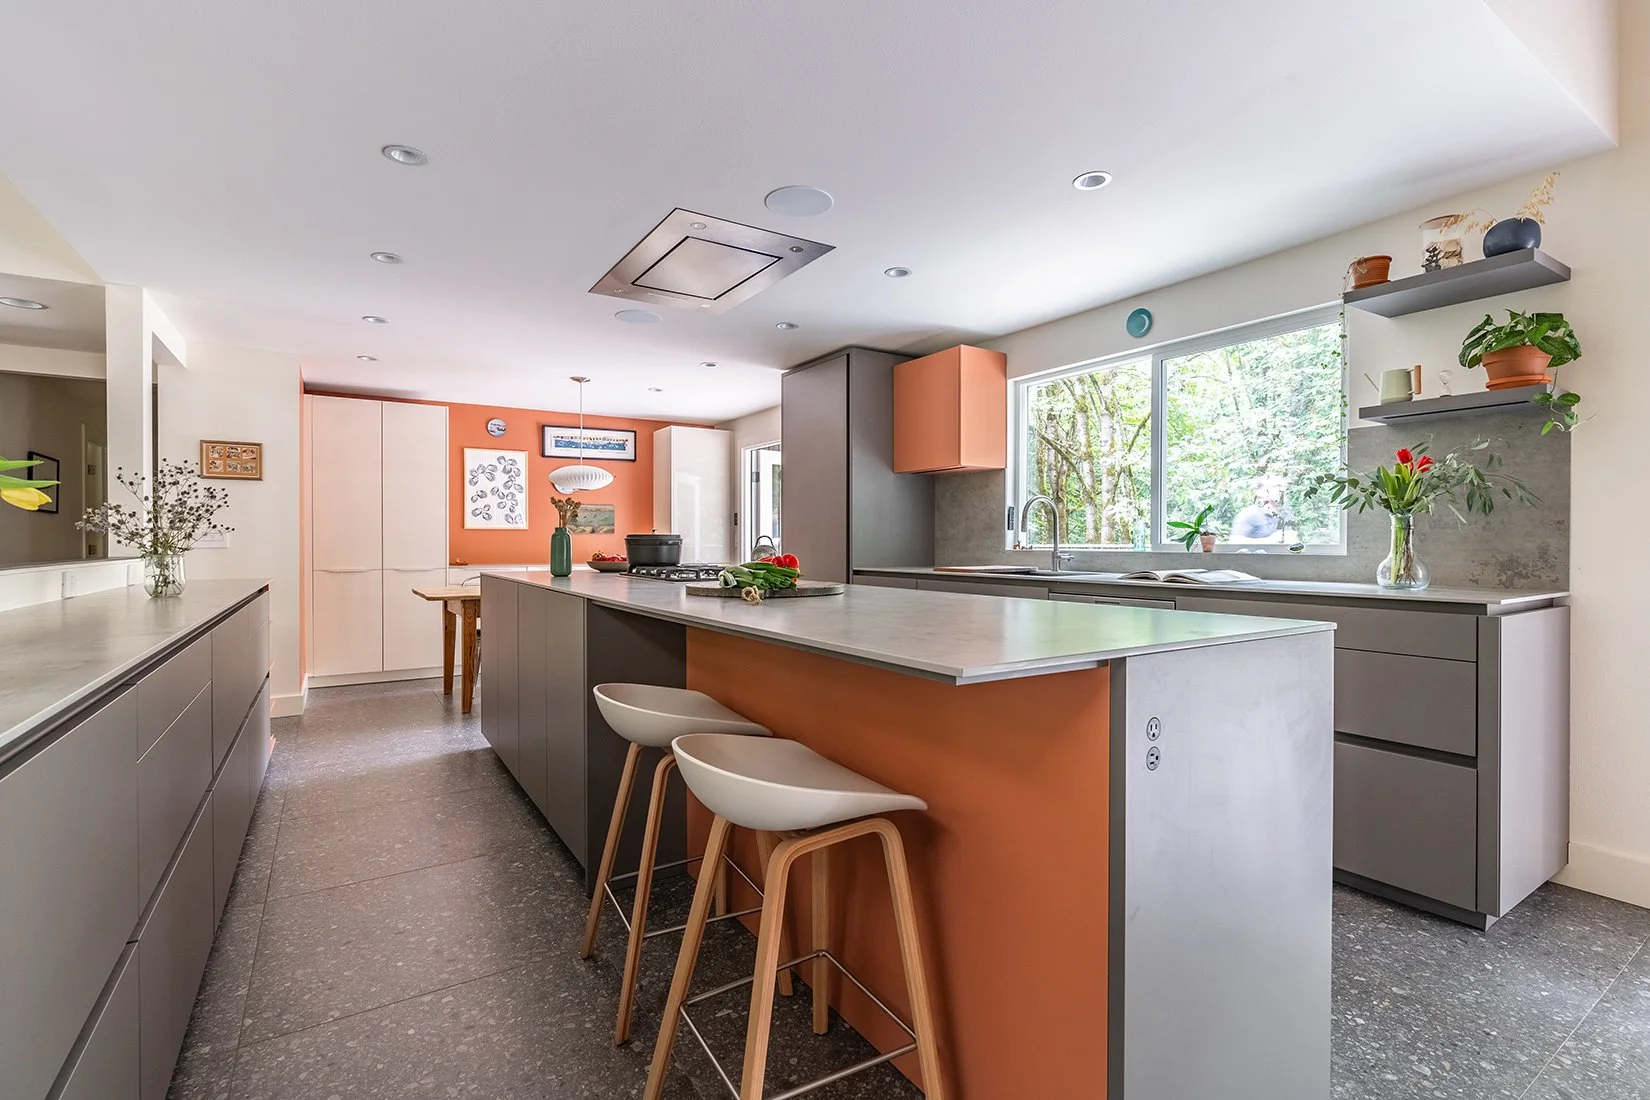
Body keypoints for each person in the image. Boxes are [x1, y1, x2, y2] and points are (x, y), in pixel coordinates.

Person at [1229, 475, 1295, 543]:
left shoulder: (1285, 513)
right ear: (1261, 491)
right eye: (1275, 486)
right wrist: (1270, 540)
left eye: (1281, 486)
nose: (1280, 490)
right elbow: (1234, 541)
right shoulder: (1250, 514)